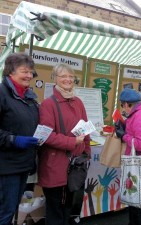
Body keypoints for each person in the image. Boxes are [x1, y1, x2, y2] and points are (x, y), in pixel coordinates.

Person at [38, 63, 91, 225]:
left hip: (75, 167)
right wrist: (72, 142)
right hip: (55, 166)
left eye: (70, 76)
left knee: (68, 209)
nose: (68, 79)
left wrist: (86, 152)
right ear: (55, 79)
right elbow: (45, 137)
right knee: (55, 212)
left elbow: (85, 128)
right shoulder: (48, 104)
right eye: (63, 76)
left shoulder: (78, 102)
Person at [0, 53, 39, 225]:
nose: (29, 76)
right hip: (6, 166)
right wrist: (13, 139)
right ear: (10, 72)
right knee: (5, 210)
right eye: (25, 71)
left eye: (31, 72)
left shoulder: (28, 97)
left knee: (13, 207)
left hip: (23, 163)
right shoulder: (2, 93)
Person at [114, 88, 141, 225]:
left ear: (127, 104)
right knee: (134, 203)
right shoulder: (139, 113)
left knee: (139, 207)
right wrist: (125, 126)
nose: (123, 109)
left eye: (123, 105)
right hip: (140, 165)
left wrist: (124, 136)